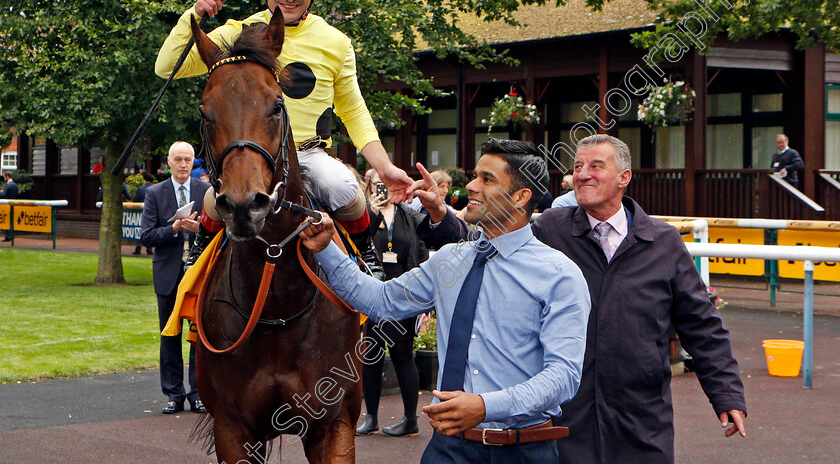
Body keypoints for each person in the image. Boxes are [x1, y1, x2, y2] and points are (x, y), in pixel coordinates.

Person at [417, 135, 747, 463]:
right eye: (577, 166)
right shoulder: (550, 230)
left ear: (624, 177)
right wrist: (439, 214)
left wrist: (726, 393)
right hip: (567, 424)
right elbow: (482, 246)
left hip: (641, 420)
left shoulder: (662, 243)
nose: (583, 173)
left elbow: (701, 324)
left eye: (596, 166)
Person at [300, 139, 590, 462]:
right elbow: (379, 300)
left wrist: (484, 406)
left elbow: (563, 376)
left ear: (521, 198)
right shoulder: (451, 260)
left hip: (524, 451)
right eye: (475, 176)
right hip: (447, 450)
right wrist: (325, 248)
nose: (471, 186)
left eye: (487, 179)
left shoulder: (559, 275)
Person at [154, 0, 413, 279]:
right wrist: (195, 15)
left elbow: (353, 110)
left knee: (344, 188)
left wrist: (383, 167)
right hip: (253, 155)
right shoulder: (238, 31)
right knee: (214, 200)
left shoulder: (336, 42)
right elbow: (167, 67)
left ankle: (366, 255)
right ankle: (198, 260)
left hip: (309, 154)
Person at [355, 172, 429, 438]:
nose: (383, 191)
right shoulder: (363, 218)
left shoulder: (409, 216)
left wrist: (420, 297)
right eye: (378, 185)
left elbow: (419, 253)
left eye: (387, 186)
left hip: (402, 298)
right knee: (370, 357)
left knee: (402, 355)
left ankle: (411, 419)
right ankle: (370, 417)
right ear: (369, 187)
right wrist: (371, 216)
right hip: (373, 297)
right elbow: (357, 246)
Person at [140, 141, 211, 415]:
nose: (183, 164)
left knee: (197, 335)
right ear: (168, 162)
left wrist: (199, 229)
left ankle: (197, 393)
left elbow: (219, 232)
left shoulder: (206, 191)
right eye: (178, 159)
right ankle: (173, 394)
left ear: (193, 163)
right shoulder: (155, 193)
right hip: (168, 273)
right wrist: (174, 228)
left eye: (188, 160)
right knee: (169, 335)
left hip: (197, 274)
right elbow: (147, 236)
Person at [132, 172, 156, 255]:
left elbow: (135, 200)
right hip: (153, 213)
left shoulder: (141, 189)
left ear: (144, 180)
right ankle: (149, 249)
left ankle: (138, 248)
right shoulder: (156, 188)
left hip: (141, 213)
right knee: (150, 229)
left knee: (139, 230)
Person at [1, 172, 18, 241]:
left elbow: (4, 195)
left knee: (6, 220)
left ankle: (7, 236)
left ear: (7, 176)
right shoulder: (15, 185)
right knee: (11, 221)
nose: (4, 179)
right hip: (13, 204)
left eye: (5, 177)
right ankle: (12, 235)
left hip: (7, 205)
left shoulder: (8, 185)